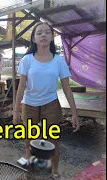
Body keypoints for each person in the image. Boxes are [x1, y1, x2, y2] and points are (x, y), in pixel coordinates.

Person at [13, 22, 80, 177]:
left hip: (51, 105)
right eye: (39, 33)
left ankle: (54, 172)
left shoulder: (59, 61)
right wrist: (16, 110)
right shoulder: (27, 60)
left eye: (46, 32)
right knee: (30, 142)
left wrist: (74, 113)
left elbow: (67, 88)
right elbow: (21, 86)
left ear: (52, 37)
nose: (43, 35)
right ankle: (32, 172)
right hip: (29, 105)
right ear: (34, 39)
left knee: (53, 142)